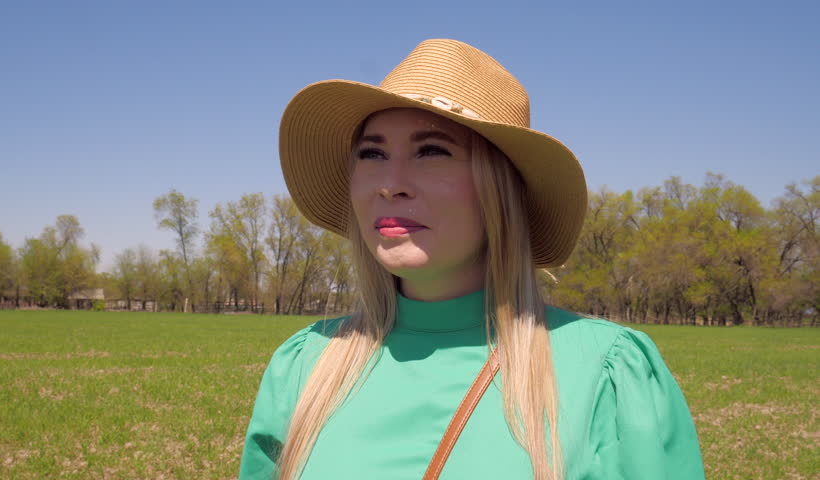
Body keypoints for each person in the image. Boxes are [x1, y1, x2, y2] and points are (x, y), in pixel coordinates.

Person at [238, 39, 705, 480]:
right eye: (372, 153)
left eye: (432, 151)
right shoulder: (304, 366)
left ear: (500, 190)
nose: (390, 182)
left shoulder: (609, 373)